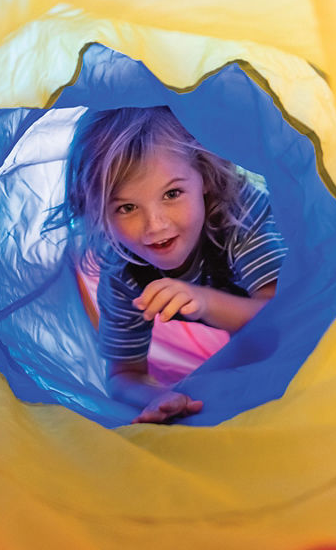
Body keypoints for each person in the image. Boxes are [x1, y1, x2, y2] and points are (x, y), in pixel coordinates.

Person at [46, 106, 287, 424]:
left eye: (172, 193)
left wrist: (203, 302)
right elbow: (122, 375)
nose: (155, 226)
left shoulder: (241, 214)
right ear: (99, 210)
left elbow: (281, 318)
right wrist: (161, 397)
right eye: (127, 207)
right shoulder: (123, 270)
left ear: (204, 177)